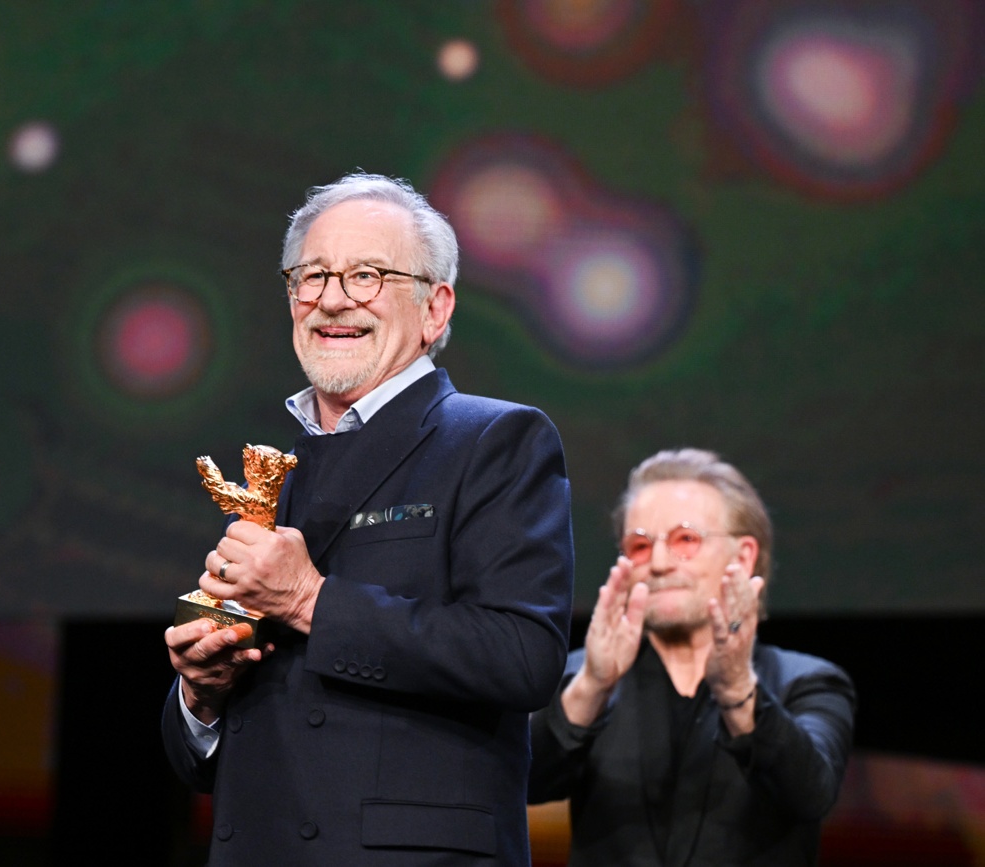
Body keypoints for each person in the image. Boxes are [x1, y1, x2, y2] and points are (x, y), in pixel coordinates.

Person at [162, 172, 575, 865]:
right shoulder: (276, 472)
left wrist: (307, 598)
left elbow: (523, 655)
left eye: (367, 275)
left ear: (435, 309)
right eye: (313, 275)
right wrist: (199, 698)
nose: (331, 298)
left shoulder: (495, 440)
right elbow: (205, 763)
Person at [527, 448, 856, 866]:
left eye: (685, 540)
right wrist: (593, 686)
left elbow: (810, 795)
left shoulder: (806, 682)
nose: (660, 563)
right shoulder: (580, 680)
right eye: (641, 546)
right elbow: (527, 785)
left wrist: (737, 689)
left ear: (742, 557)